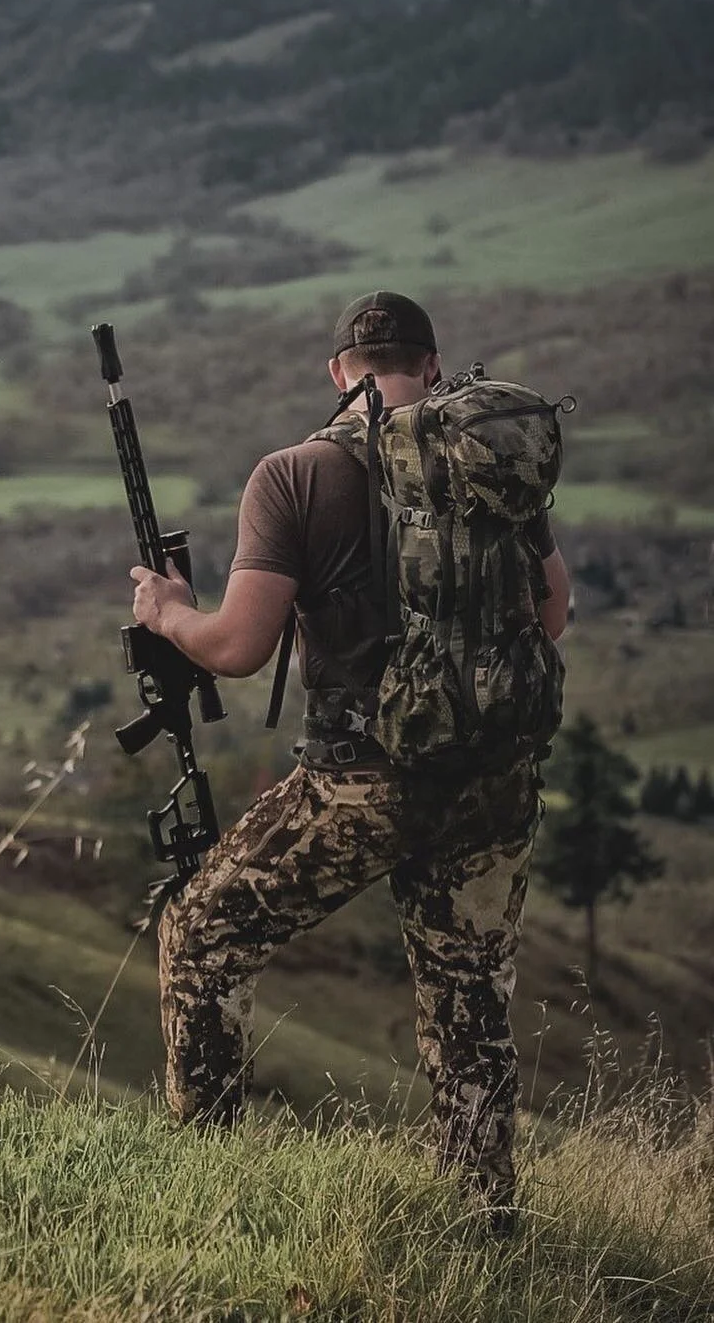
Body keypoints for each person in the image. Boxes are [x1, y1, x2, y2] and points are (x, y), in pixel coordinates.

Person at [129, 291, 570, 1228]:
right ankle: (482, 1221)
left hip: (361, 781)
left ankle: (206, 1192)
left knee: (201, 939)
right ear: (434, 366)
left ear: (338, 371)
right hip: (493, 780)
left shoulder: (295, 474)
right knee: (469, 1000)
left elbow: (241, 646)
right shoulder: (487, 459)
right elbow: (551, 614)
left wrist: (166, 610)